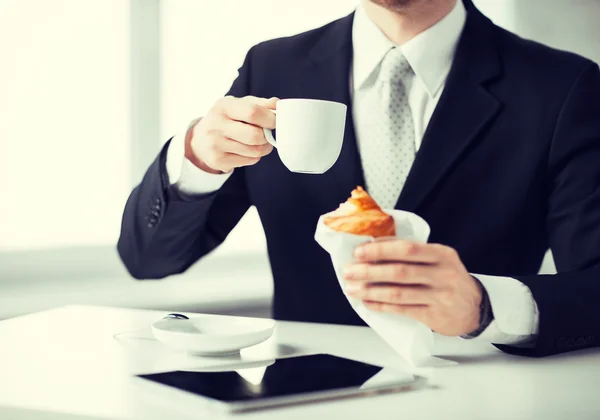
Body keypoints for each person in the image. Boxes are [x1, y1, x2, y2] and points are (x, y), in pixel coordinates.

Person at [118, 0, 600, 357]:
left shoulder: (562, 86)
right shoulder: (271, 68)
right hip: (302, 396)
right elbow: (148, 260)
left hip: (484, 395)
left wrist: (485, 306)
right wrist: (196, 160)